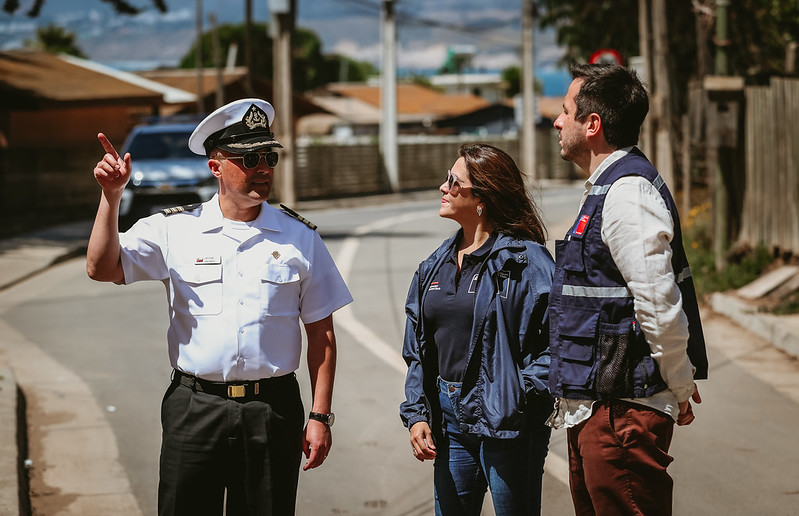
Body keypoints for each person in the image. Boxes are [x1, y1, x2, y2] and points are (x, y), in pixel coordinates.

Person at [86, 98, 353, 516]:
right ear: (216, 166)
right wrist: (111, 197)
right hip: (195, 407)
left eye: (269, 156)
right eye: (249, 158)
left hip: (272, 410)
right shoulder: (175, 229)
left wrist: (321, 415)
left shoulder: (300, 238)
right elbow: (101, 267)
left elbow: (323, 333)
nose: (263, 167)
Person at [547, 64, 709, 515]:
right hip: (601, 408)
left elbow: (658, 303)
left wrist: (679, 385)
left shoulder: (627, 194)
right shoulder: (607, 189)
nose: (557, 122)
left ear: (592, 125)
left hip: (621, 414)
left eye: (565, 112)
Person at [399, 143, 554, 516]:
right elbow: (417, 349)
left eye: (454, 181)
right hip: (449, 422)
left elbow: (560, 342)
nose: (443, 187)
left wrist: (518, 392)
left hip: (507, 421)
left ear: (482, 196)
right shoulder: (433, 266)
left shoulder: (526, 262)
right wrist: (418, 412)